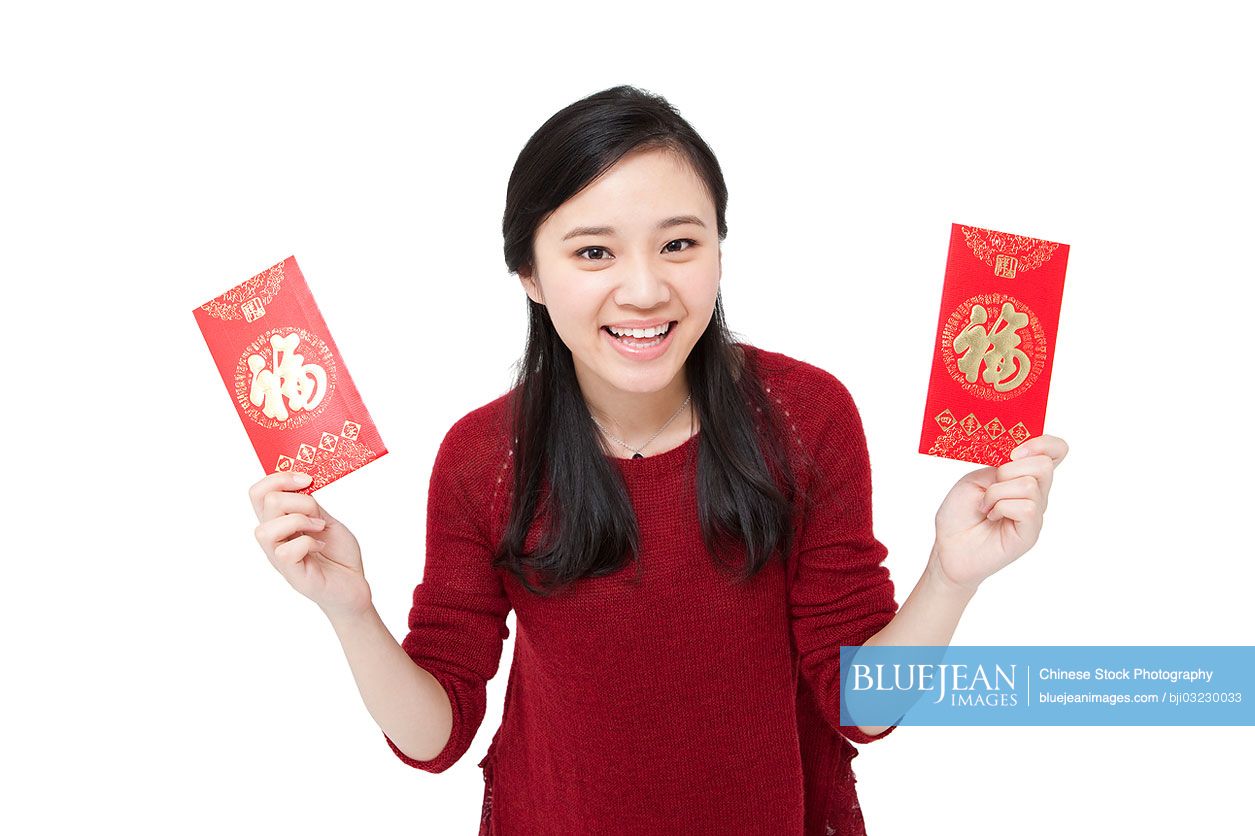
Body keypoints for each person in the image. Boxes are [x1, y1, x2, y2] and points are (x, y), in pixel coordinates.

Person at [248, 85, 1068, 835]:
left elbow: (859, 710)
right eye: (593, 253)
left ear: (719, 246)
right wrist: (349, 613)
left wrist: (952, 576)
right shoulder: (483, 458)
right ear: (529, 272)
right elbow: (436, 738)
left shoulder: (804, 416)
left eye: (678, 243)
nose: (643, 290)